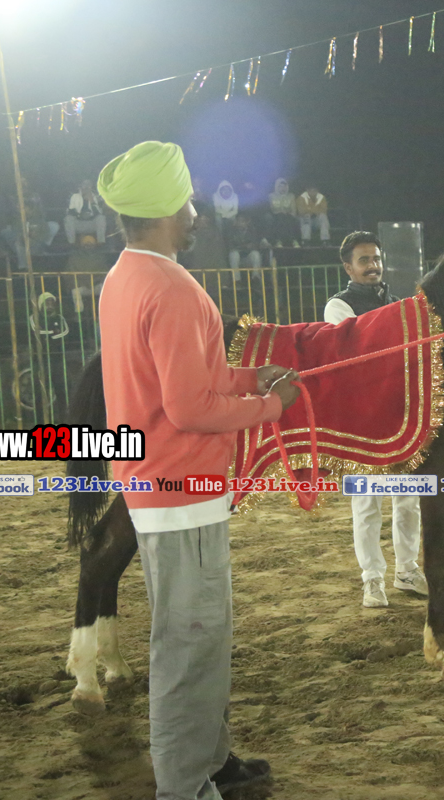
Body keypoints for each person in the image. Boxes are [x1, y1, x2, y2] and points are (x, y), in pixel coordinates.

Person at [95, 140, 296, 800]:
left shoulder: (126, 275)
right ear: (164, 210)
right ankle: (184, 787)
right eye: (186, 200)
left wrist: (249, 376)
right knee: (188, 645)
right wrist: (271, 406)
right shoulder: (171, 287)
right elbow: (189, 407)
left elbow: (189, 378)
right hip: (181, 487)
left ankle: (210, 760)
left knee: (199, 639)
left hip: (158, 483)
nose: (195, 211)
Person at [322, 231, 428, 607]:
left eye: (377, 259)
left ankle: (407, 570)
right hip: (360, 420)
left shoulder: (398, 304)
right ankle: (372, 579)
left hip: (398, 415)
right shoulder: (338, 306)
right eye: (364, 260)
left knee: (408, 498)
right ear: (348, 267)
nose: (373, 266)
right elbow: (358, 349)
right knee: (367, 502)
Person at [64, 179, 107, 246]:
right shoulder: (75, 196)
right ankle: (71, 243)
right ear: (81, 186)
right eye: (85, 184)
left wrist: (92, 201)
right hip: (79, 223)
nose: (87, 186)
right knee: (68, 218)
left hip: (92, 224)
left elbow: (99, 213)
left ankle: (101, 242)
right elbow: (70, 212)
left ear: (91, 186)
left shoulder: (96, 197)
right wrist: (79, 214)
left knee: (101, 218)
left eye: (88, 184)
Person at [267, 178, 297, 246]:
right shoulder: (271, 196)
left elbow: (293, 210)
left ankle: (293, 240)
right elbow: (271, 209)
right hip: (276, 215)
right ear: (277, 187)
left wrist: (290, 214)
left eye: (284, 186)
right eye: (280, 186)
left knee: (289, 219)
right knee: (281, 217)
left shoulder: (291, 196)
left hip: (288, 215)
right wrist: (279, 212)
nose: (283, 188)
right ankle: (278, 241)